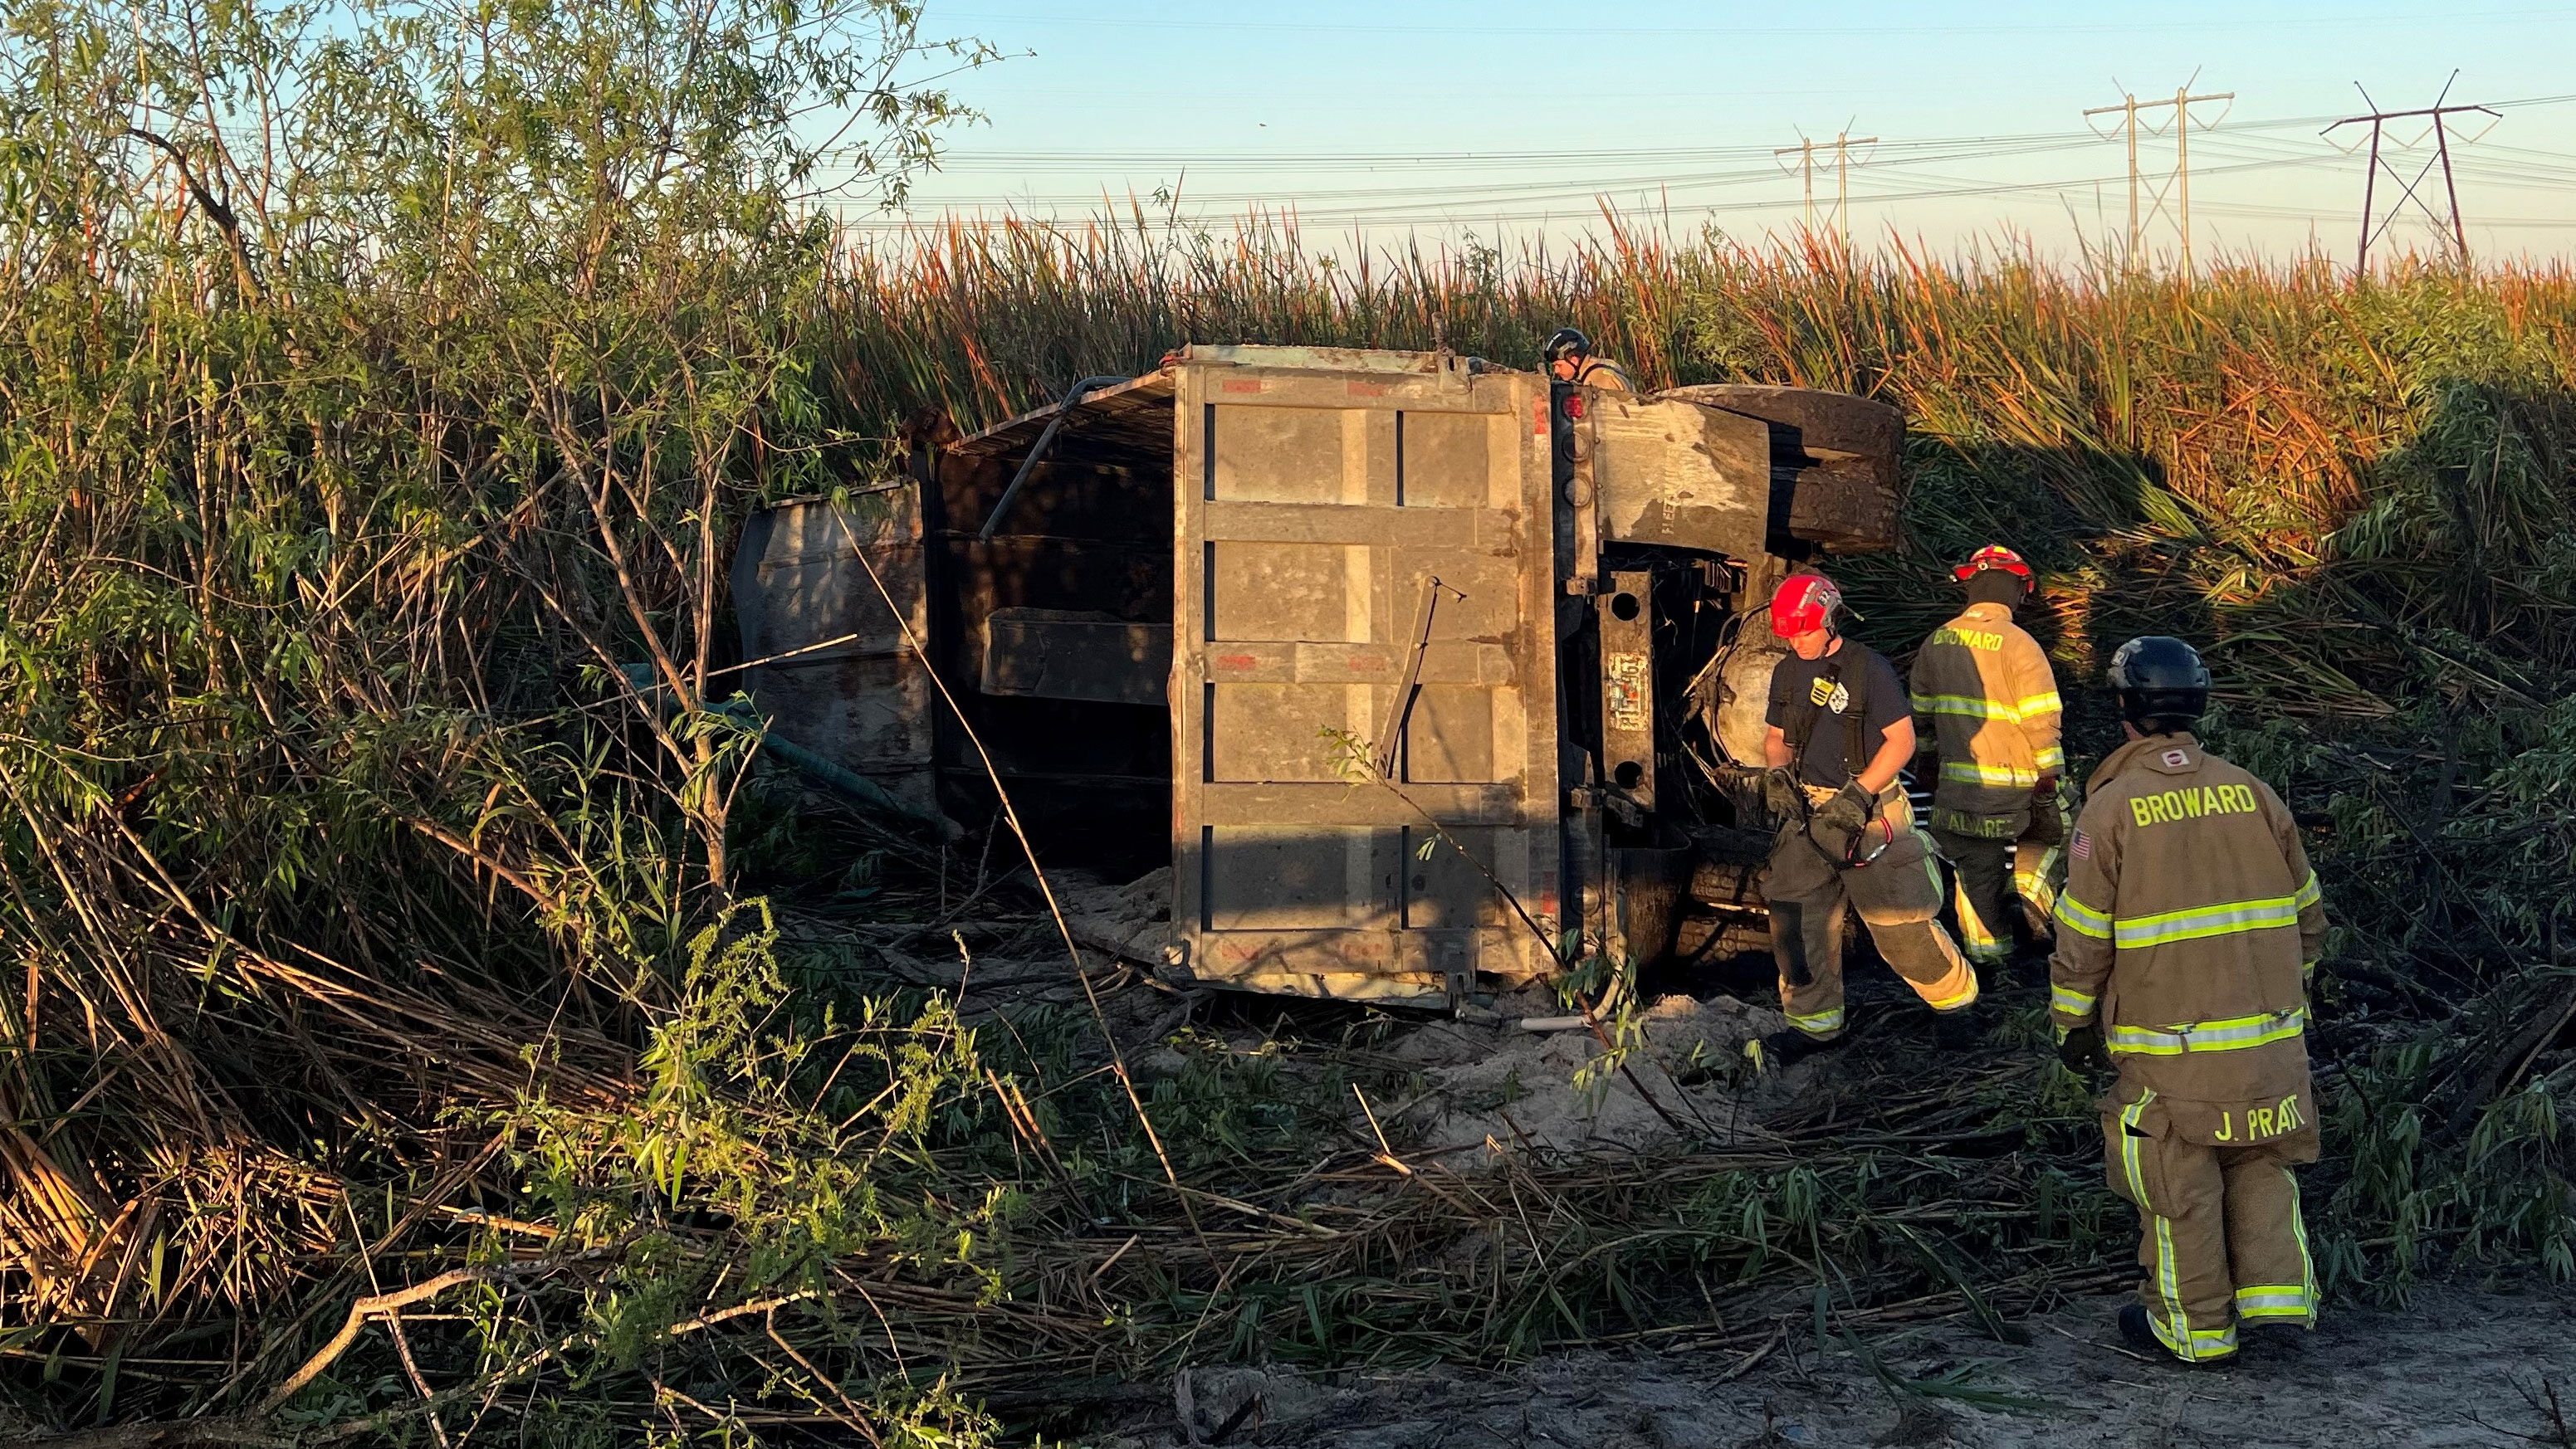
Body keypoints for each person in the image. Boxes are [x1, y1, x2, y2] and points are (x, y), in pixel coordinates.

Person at [2049, 636, 2327, 1367]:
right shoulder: (2254, 793)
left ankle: (2194, 1331)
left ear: (2122, 712)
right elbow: (2309, 918)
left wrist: (2071, 1025)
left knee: (2176, 1176)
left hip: (2167, 1046)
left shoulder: (2110, 811)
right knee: (2260, 1159)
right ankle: (2277, 1308)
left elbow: (2082, 941)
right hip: (2269, 1041)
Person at [1747, 573, 1977, 1068]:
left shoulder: (1865, 668)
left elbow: (1902, 742)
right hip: (1809, 816)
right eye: (1789, 634)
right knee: (1795, 925)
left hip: (1870, 813)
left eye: (1805, 631)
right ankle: (1815, 1028)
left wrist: (1859, 794)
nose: (1797, 641)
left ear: (1829, 619)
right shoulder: (1787, 672)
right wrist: (1778, 777)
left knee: (1901, 927)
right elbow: (1776, 738)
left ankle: (1956, 1004)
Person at [1909, 544, 2067, 976]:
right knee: (2064, 835)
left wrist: (1927, 767)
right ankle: (2029, 894)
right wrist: (2050, 780)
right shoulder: (2021, 646)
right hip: (2014, 790)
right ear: (2017, 589)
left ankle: (1990, 966)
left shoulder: (1936, 641)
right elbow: (2042, 721)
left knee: (1975, 872)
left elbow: (1920, 717)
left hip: (1957, 794)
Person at [1542, 327, 1631, 391]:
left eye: (1559, 365)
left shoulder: (1601, 379)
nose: (1556, 371)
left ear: (1574, 360)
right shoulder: (1595, 370)